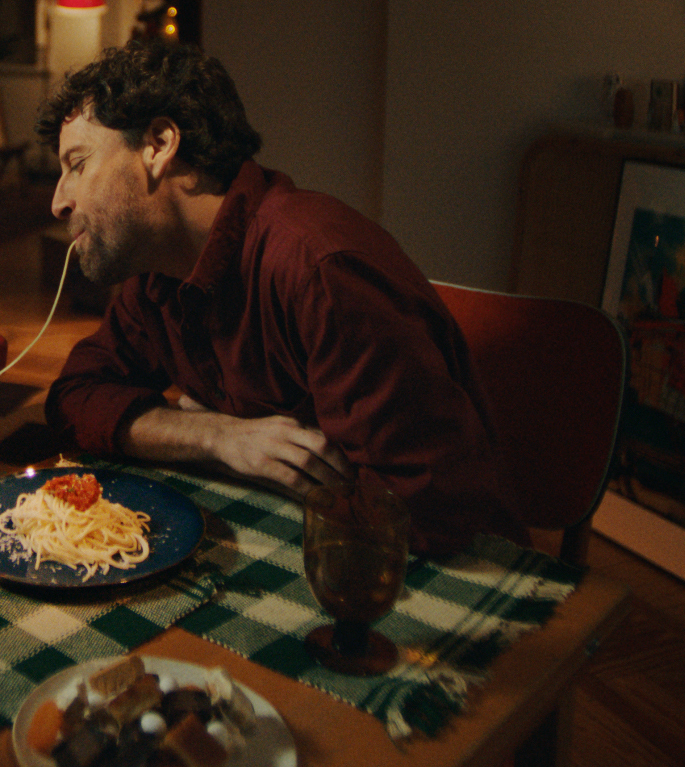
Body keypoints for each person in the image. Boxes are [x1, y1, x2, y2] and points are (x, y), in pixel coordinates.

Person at [36, 39, 516, 556]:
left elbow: (422, 510)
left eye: (77, 164)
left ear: (158, 144)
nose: (59, 201)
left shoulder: (318, 268)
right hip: (284, 531)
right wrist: (215, 435)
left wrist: (216, 442)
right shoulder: (156, 277)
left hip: (424, 566)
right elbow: (74, 398)